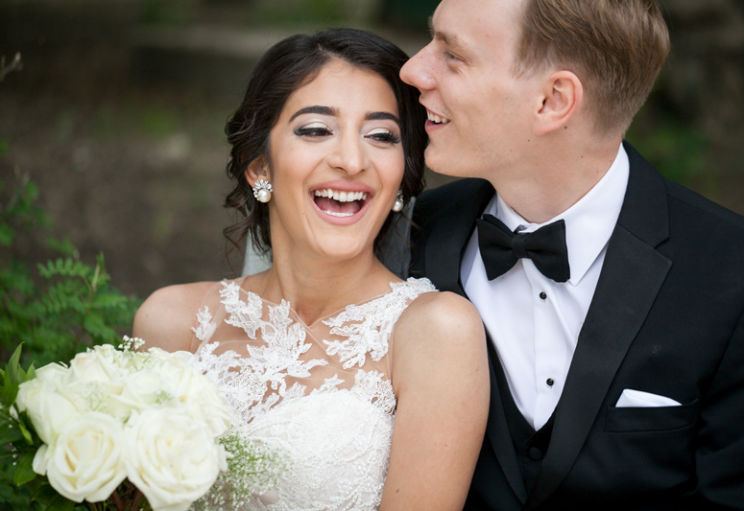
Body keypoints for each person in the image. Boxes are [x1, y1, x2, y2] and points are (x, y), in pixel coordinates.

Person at [401, 0, 744, 509]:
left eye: (453, 55)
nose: (412, 69)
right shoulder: (406, 238)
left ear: (553, 100)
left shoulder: (743, 275)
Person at [133, 28, 489, 511]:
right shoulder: (172, 322)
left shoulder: (436, 332)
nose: (350, 160)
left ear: (401, 175)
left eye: (381, 136)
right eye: (316, 129)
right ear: (259, 168)